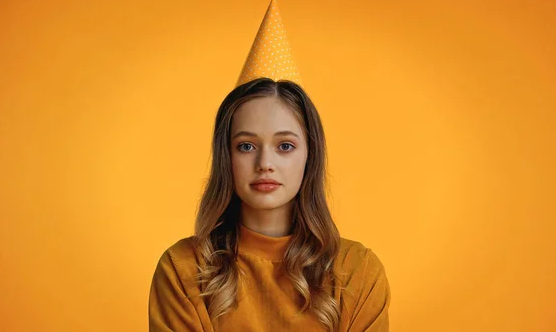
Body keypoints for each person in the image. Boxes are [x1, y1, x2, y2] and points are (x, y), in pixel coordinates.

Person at [148, 78, 390, 331]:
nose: (265, 163)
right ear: (226, 158)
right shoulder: (182, 268)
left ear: (310, 157)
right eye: (246, 146)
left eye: (285, 146)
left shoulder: (358, 271)